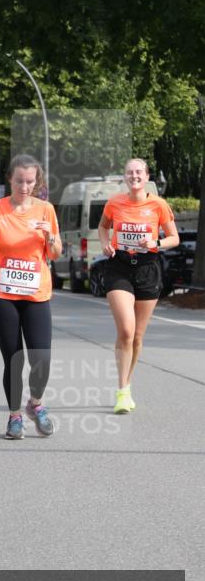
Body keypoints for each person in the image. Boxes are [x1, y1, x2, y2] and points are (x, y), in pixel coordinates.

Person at [0, 155, 62, 440]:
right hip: (2, 295)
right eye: (19, 180)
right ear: (10, 179)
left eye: (30, 181)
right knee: (14, 360)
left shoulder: (46, 210)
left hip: (36, 294)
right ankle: (14, 417)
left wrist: (50, 238)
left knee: (41, 360)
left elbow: (56, 253)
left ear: (37, 182)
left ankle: (35, 404)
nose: (24, 186)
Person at [98, 157, 179, 414]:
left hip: (148, 268)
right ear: (125, 177)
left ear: (147, 177)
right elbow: (103, 227)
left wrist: (156, 243)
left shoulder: (158, 204)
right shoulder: (114, 203)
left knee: (138, 336)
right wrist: (104, 243)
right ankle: (122, 391)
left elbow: (174, 238)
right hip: (120, 267)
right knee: (125, 330)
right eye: (130, 172)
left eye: (139, 172)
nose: (134, 176)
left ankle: (128, 384)